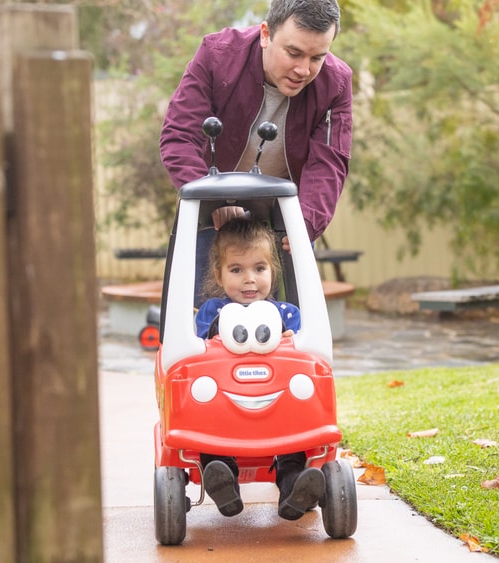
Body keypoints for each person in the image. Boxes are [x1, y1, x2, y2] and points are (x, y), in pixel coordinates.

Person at [160, 0, 353, 307]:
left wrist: (305, 224)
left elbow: (328, 162)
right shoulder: (216, 54)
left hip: (284, 218)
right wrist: (213, 202)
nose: (303, 69)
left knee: (289, 325)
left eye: (317, 57)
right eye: (293, 53)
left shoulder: (336, 82)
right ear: (266, 34)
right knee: (202, 322)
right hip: (214, 215)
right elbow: (179, 136)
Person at [193, 217, 323, 521]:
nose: (249, 279)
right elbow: (198, 348)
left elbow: (308, 352)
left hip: (279, 411)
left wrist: (292, 341)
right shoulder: (212, 311)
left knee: (295, 445)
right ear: (219, 274)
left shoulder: (288, 315)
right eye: (237, 270)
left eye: (259, 268)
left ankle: (295, 489)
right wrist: (214, 336)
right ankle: (224, 484)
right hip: (225, 408)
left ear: (272, 271)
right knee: (211, 439)